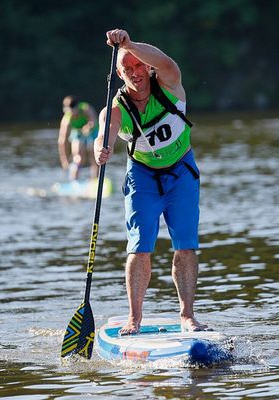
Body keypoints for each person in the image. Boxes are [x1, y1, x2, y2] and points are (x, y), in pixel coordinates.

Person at [94, 29, 207, 335]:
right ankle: (134, 318)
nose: (135, 73)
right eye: (127, 69)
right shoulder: (117, 106)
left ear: (147, 66)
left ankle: (187, 316)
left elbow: (165, 60)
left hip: (182, 173)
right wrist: (101, 148)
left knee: (185, 245)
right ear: (119, 74)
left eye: (138, 66)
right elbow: (107, 128)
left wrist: (129, 45)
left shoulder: (169, 81)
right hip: (142, 178)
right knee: (139, 248)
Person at [58, 96, 99, 181]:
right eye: (70, 112)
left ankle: (95, 179)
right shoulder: (66, 120)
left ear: (77, 107)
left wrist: (88, 127)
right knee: (78, 157)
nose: (73, 114)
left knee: (94, 157)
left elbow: (94, 121)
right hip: (77, 133)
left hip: (92, 132)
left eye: (74, 111)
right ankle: (74, 180)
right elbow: (62, 141)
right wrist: (64, 160)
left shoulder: (85, 108)